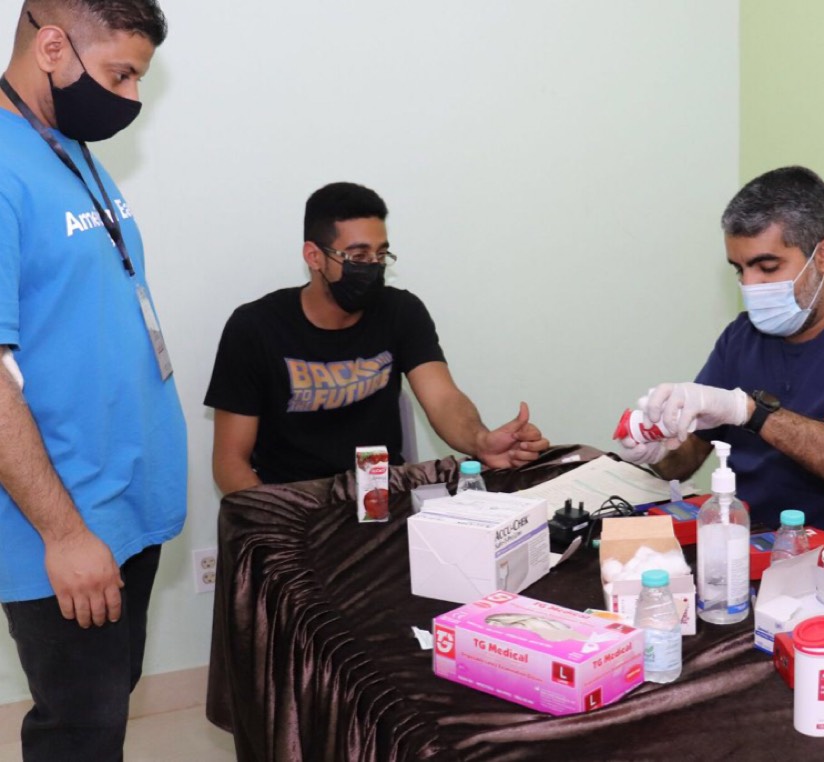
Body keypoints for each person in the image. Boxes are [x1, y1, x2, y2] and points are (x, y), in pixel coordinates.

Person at [0, 1, 185, 759]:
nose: (131, 98)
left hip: (123, 501)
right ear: (52, 46)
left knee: (105, 709)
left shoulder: (64, 145)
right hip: (63, 518)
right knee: (79, 731)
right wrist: (66, 533)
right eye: (120, 75)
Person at [618, 166, 824, 591]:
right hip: (748, 561)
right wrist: (659, 448)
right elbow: (688, 457)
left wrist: (752, 413)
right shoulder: (742, 338)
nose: (750, 285)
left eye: (766, 267)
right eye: (739, 270)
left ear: (823, 255)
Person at [205, 181, 549, 494]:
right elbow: (230, 461)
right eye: (358, 256)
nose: (372, 266)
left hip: (381, 496)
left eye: (380, 254)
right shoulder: (255, 327)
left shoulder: (401, 312)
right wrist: (274, 517)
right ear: (314, 256)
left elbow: (444, 399)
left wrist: (480, 440)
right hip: (294, 501)